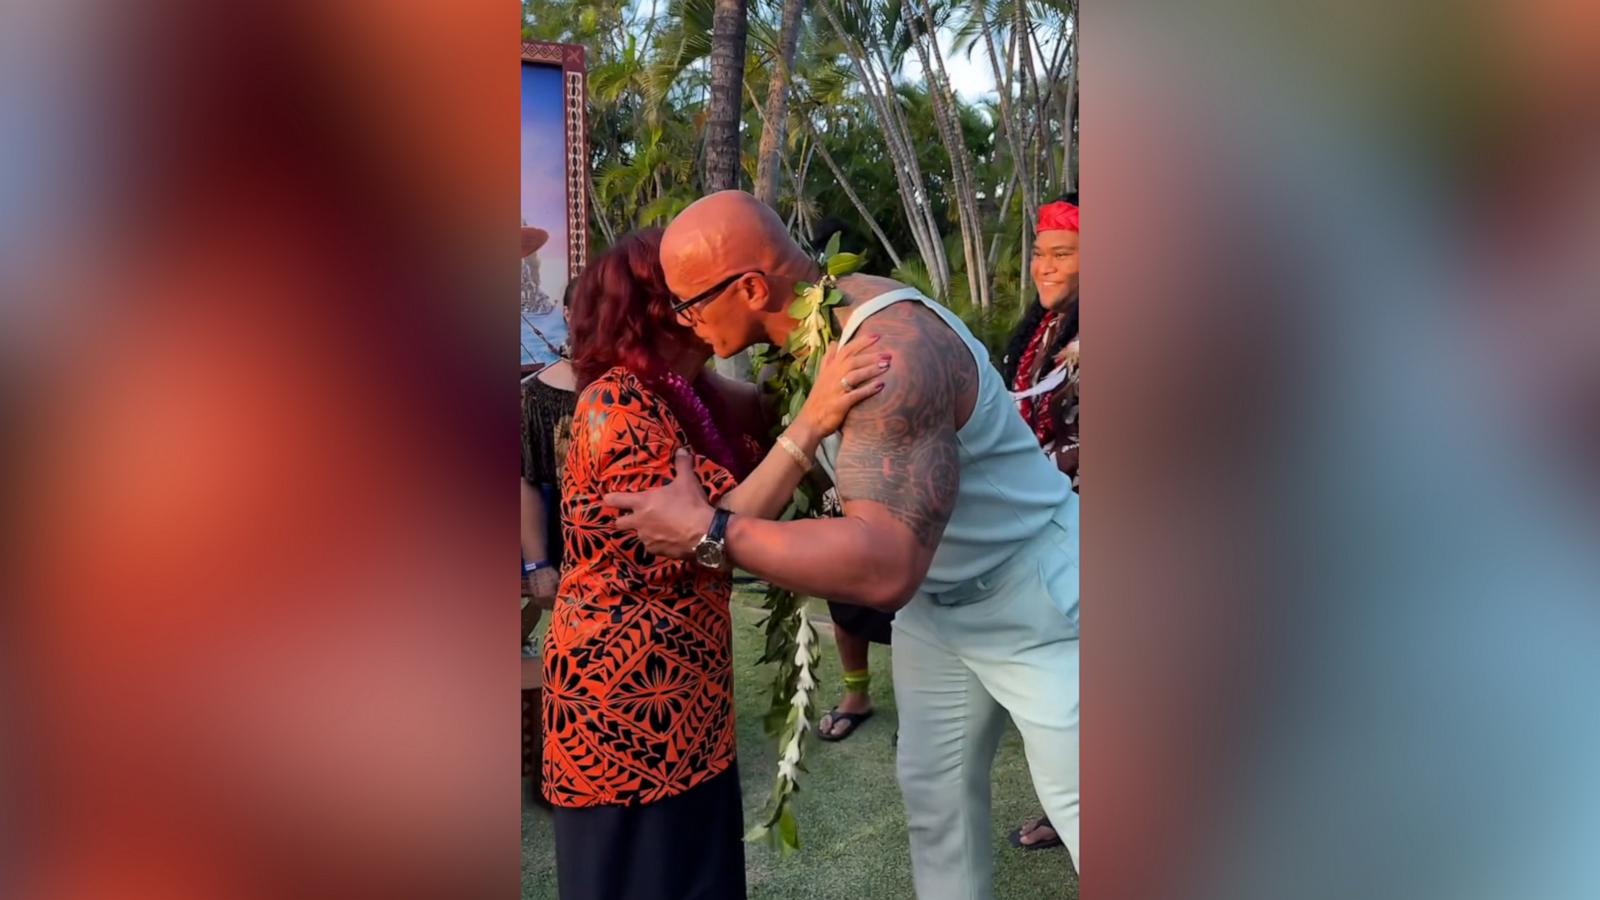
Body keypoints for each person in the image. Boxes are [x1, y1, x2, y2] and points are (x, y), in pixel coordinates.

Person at [607, 191, 1081, 897]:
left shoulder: (889, 356)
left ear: (751, 288)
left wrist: (711, 534)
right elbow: (743, 408)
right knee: (936, 804)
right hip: (939, 610)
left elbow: (884, 566)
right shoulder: (800, 338)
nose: (683, 318)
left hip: (1033, 600)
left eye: (689, 303)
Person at [541, 228, 889, 900]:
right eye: (679, 289)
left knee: (699, 873)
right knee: (640, 879)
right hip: (621, 703)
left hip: (685, 692)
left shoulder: (682, 391)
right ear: (652, 307)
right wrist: (809, 424)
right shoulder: (615, 405)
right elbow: (723, 523)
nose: (698, 300)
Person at [1001, 196, 1081, 852]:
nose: (1043, 266)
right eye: (1039, 252)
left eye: (1063, 253)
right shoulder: (1039, 332)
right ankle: (1069, 799)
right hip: (1048, 528)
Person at [521, 278, 578, 650]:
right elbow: (524, 479)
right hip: (559, 538)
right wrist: (537, 564)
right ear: (569, 314)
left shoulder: (642, 388)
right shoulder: (535, 395)